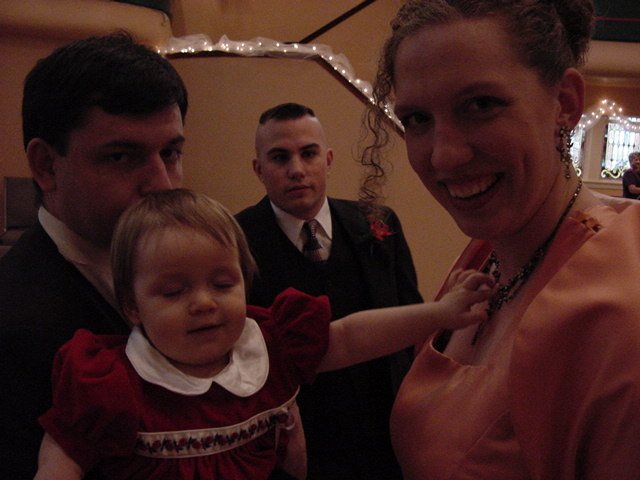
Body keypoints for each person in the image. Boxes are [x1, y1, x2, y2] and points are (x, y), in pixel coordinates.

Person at [34, 188, 494, 480]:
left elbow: (352, 336)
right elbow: (61, 460)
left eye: (222, 284)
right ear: (133, 306)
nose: (204, 302)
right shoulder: (110, 383)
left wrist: (440, 312)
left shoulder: (270, 348)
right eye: (173, 291)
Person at [361, 0, 640, 478]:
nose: (444, 156)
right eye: (417, 119)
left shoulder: (620, 312)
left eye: (481, 105)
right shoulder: (490, 250)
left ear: (565, 103)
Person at [0, 32, 188, 479]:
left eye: (170, 153)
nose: (162, 184)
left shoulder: (199, 271)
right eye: (121, 156)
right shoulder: (11, 326)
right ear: (46, 165)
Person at [235, 102, 423, 479]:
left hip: (388, 437)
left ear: (328, 159)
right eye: (279, 157)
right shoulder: (234, 241)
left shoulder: (378, 223)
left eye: (309, 153)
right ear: (259, 169)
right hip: (300, 448)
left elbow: (412, 323)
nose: (297, 170)